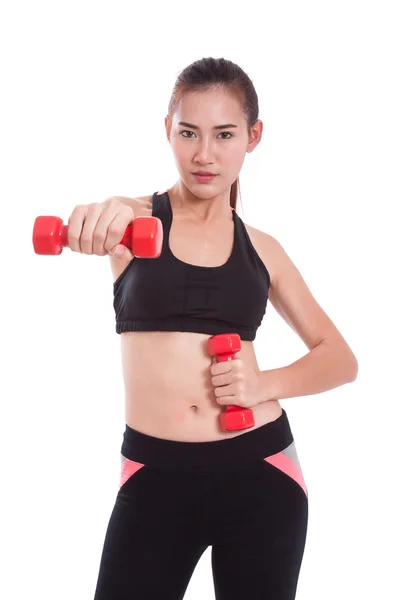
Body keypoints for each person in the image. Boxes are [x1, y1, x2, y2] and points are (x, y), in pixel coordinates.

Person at [67, 57, 358, 600]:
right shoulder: (135, 223)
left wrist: (264, 383)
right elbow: (110, 211)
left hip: (261, 475)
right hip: (155, 477)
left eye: (224, 134)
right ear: (167, 132)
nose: (204, 154)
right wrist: (99, 214)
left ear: (253, 137)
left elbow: (340, 358)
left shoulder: (263, 251)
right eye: (188, 133)